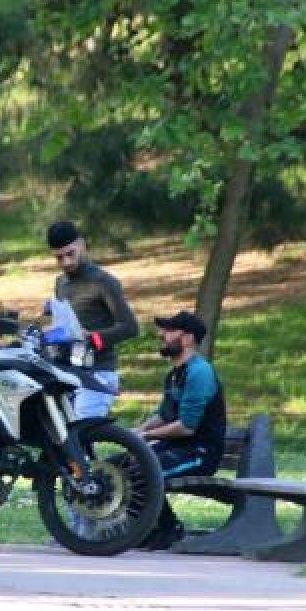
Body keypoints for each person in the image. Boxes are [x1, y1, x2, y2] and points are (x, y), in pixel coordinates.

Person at [137, 310, 227, 550]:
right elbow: (163, 416)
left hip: (199, 453)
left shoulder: (199, 372)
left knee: (144, 472)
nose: (162, 335)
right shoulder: (175, 374)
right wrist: (136, 434)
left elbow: (186, 428)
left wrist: (147, 436)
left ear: (187, 339)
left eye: (169, 331)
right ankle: (148, 529)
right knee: (121, 464)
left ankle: (169, 529)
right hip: (175, 448)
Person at [46, 220, 139, 419]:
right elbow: (64, 324)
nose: (66, 263)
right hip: (69, 373)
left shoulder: (103, 282)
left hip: (98, 374)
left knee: (82, 438)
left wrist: (93, 339)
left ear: (82, 244)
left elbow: (130, 327)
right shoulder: (60, 283)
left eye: (70, 254)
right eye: (59, 257)